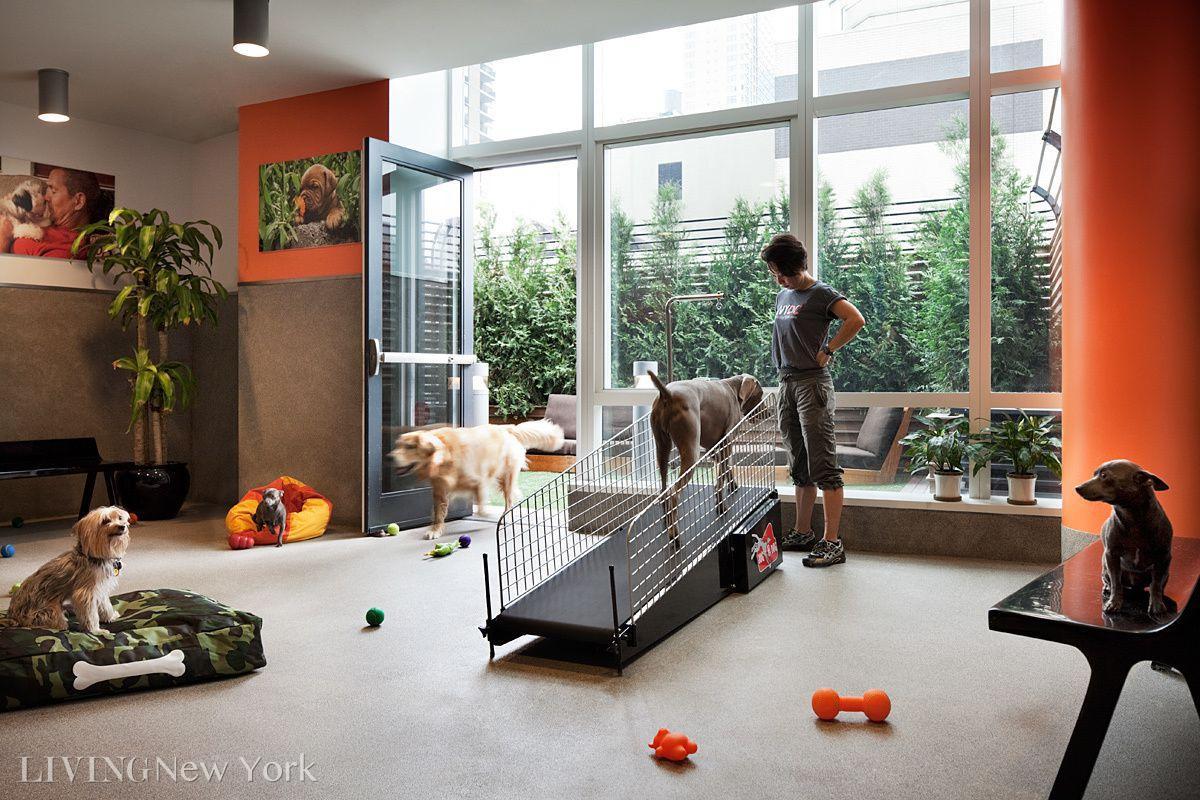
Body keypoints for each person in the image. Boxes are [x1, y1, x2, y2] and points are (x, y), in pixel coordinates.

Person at [762, 233, 865, 568]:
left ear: (798, 265)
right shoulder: (783, 295)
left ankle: (832, 542)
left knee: (823, 464)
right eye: (775, 273)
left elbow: (855, 319)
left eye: (783, 272)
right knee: (799, 464)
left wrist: (829, 348)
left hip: (812, 384)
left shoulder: (821, 293)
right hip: (787, 383)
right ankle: (803, 531)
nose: (779, 279)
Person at [0, 167, 104, 259]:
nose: (46, 197)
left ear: (78, 201)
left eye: (54, 191)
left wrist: (3, 239)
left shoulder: (66, 251)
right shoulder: (43, 220)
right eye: (47, 189)